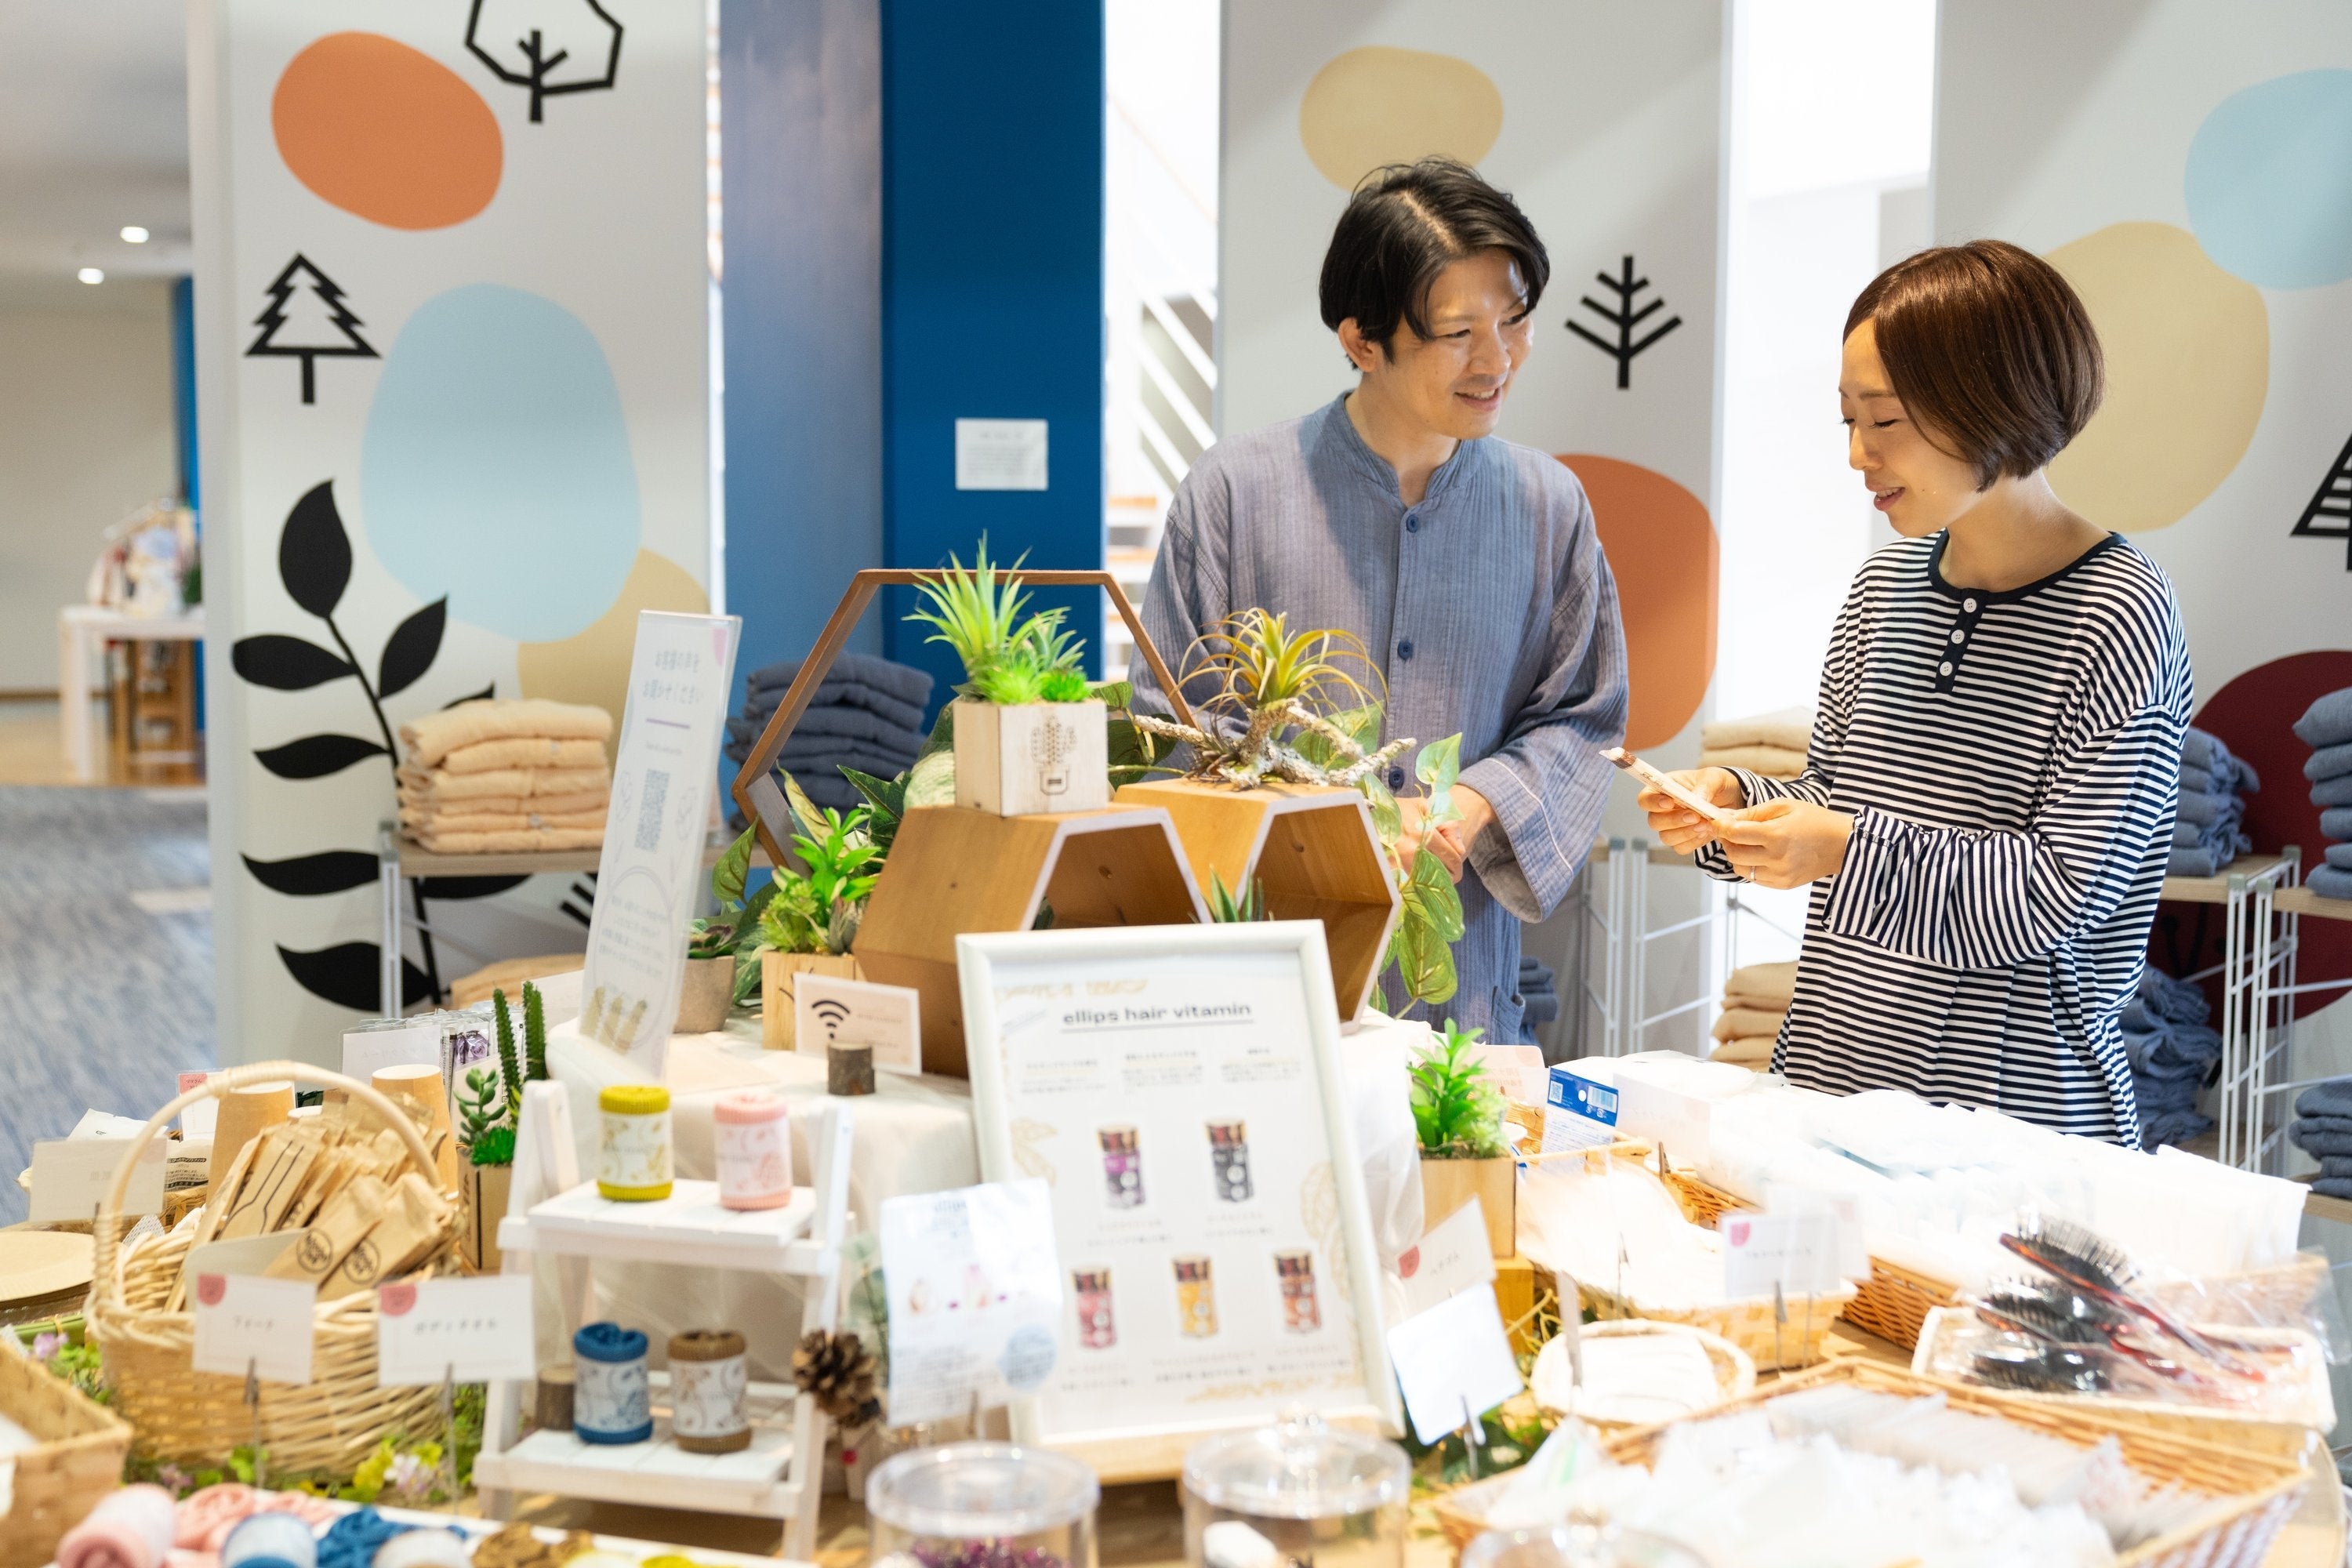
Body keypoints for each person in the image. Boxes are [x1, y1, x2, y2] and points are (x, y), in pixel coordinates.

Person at [1639, 241, 2189, 1144]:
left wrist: (1840, 850)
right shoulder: (1882, 586)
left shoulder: (2121, 609)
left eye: (1885, 420)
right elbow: (1839, 803)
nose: (1858, 453)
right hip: (1828, 1102)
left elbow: (2059, 893)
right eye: (1847, 419)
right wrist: (1739, 809)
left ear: (1992, 398)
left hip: (2014, 1137)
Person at [1130, 158, 1628, 1044]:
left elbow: (1584, 718)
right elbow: (1170, 733)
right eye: (1458, 332)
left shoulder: (1552, 506)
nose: (1497, 359)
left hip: (1464, 1002)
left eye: (1514, 322)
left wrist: (1476, 802)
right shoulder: (1233, 493)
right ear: (1362, 340)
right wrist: (1333, 828)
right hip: (1269, 1003)